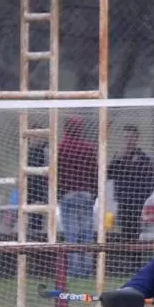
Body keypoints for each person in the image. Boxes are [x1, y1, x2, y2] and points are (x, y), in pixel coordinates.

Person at [107, 125, 154, 272]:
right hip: (123, 202)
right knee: (125, 233)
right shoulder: (118, 158)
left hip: (138, 202)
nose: (129, 140)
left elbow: (149, 180)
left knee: (137, 233)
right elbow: (109, 174)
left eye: (131, 137)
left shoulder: (143, 158)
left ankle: (137, 264)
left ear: (137, 138)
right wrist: (118, 158)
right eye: (126, 137)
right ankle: (128, 264)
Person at [57, 116, 98, 277]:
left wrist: (58, 192)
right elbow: (95, 171)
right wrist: (94, 193)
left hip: (68, 195)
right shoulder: (87, 148)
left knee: (72, 235)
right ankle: (86, 270)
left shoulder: (61, 147)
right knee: (86, 235)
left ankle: (74, 271)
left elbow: (56, 172)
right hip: (86, 195)